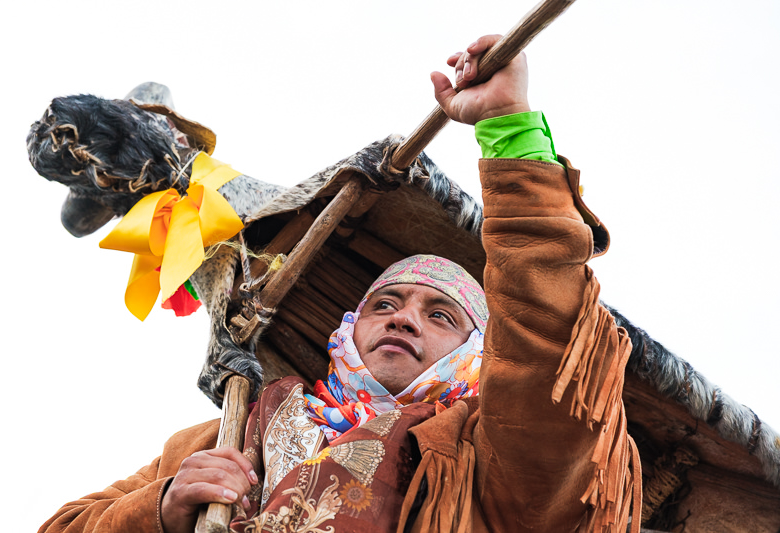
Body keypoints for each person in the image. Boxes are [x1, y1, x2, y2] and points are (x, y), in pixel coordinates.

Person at [39, 35, 639, 533]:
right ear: (350, 329)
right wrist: (163, 509)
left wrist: (509, 127)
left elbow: (544, 331)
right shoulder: (227, 432)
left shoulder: (494, 457)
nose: (405, 318)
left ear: (475, 359)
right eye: (386, 303)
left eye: (441, 316)